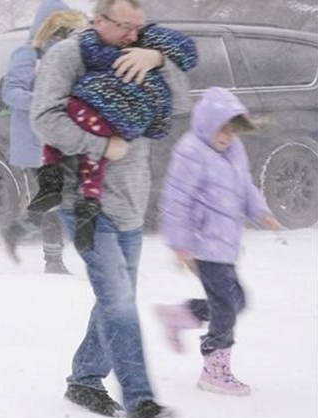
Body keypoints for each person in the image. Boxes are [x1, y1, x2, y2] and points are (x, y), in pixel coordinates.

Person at [31, 0, 188, 418]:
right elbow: (43, 118)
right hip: (82, 200)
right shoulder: (68, 55)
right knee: (118, 301)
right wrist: (101, 144)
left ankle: (84, 378)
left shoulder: (143, 50)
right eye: (123, 26)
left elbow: (180, 105)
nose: (132, 34)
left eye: (138, 26)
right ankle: (141, 403)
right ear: (98, 20)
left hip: (130, 200)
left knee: (115, 300)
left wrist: (157, 61)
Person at [153, 87, 283, 396]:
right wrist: (181, 245)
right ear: (205, 124)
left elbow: (244, 185)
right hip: (201, 244)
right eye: (221, 131)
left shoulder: (233, 150)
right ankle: (214, 368)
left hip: (224, 244)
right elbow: (176, 201)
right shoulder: (191, 153)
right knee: (226, 306)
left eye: (232, 131)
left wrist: (260, 212)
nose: (226, 137)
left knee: (238, 301)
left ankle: (182, 315)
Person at [26, 23, 198, 251]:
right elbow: (167, 116)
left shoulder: (117, 50)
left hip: (91, 115)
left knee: (61, 142)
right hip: (117, 132)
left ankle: (51, 185)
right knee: (94, 166)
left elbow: (48, 118)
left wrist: (157, 59)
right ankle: (87, 204)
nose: (131, 35)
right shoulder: (154, 67)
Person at [0, 0, 85, 274]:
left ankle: (14, 232)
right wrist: (46, 101)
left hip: (58, 139)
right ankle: (53, 261)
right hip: (34, 142)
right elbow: (11, 93)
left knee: (60, 197)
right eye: (56, 28)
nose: (62, 33)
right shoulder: (27, 54)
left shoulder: (64, 54)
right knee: (54, 198)